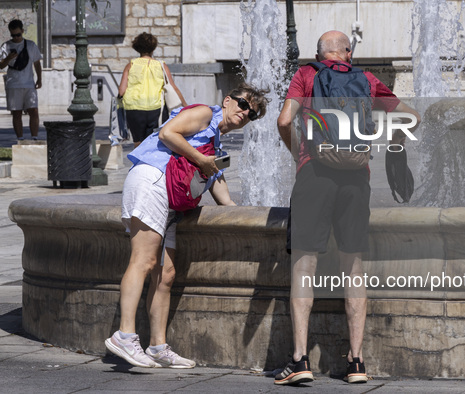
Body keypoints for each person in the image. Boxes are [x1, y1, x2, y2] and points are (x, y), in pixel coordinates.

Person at [275, 30, 421, 385]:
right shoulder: (367, 80)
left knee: (303, 267)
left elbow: (282, 121)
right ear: (349, 54)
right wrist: (395, 148)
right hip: (356, 177)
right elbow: (411, 117)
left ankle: (299, 359)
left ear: (320, 54)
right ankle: (356, 361)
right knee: (353, 267)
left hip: (315, 174)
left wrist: (299, 154)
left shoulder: (307, 75)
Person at [105, 83, 269, 368]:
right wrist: (201, 159)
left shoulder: (215, 141)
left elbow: (219, 189)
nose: (245, 113)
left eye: (252, 114)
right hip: (153, 180)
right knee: (143, 260)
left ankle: (157, 346)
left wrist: (239, 214)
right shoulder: (205, 113)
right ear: (228, 100)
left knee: (165, 274)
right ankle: (125, 335)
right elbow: (168, 133)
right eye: (243, 105)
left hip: (170, 199)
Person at [119, 32, 187, 147]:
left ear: (137, 48)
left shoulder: (131, 65)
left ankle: (139, 163)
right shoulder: (161, 65)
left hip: (134, 108)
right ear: (153, 48)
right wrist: (185, 106)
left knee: (138, 143)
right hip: (156, 109)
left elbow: (121, 91)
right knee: (155, 141)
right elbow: (173, 87)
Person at [0, 19, 42, 141]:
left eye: (18, 34)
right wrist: (8, 58)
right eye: (13, 35)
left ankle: (34, 137)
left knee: (33, 110)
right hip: (13, 84)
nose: (16, 37)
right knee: (16, 113)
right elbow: (1, 66)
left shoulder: (30, 45)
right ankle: (21, 139)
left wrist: (39, 79)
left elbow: (37, 63)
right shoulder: (6, 46)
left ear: (23, 31)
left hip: (29, 83)